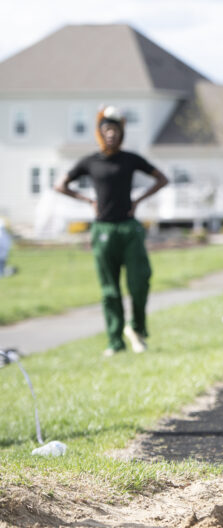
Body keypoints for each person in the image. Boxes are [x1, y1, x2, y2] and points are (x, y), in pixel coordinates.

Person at [55, 106, 169, 356]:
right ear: (100, 133)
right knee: (110, 289)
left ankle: (136, 329)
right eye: (107, 129)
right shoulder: (90, 162)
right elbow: (60, 185)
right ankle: (115, 341)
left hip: (129, 228)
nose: (111, 134)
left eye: (115, 130)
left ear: (121, 133)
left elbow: (162, 179)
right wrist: (87, 200)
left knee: (140, 280)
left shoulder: (131, 159)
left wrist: (139, 200)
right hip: (103, 229)